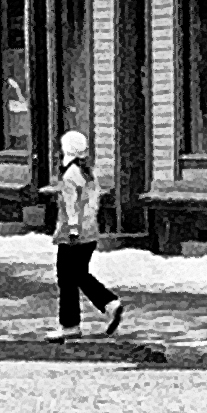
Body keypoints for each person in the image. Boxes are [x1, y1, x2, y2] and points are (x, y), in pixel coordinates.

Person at [51, 130, 124, 340]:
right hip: (90, 231)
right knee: (79, 274)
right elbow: (93, 202)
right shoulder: (88, 173)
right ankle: (109, 304)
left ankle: (70, 325)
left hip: (72, 234)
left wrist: (73, 230)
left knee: (66, 277)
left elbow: (71, 205)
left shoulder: (70, 175)